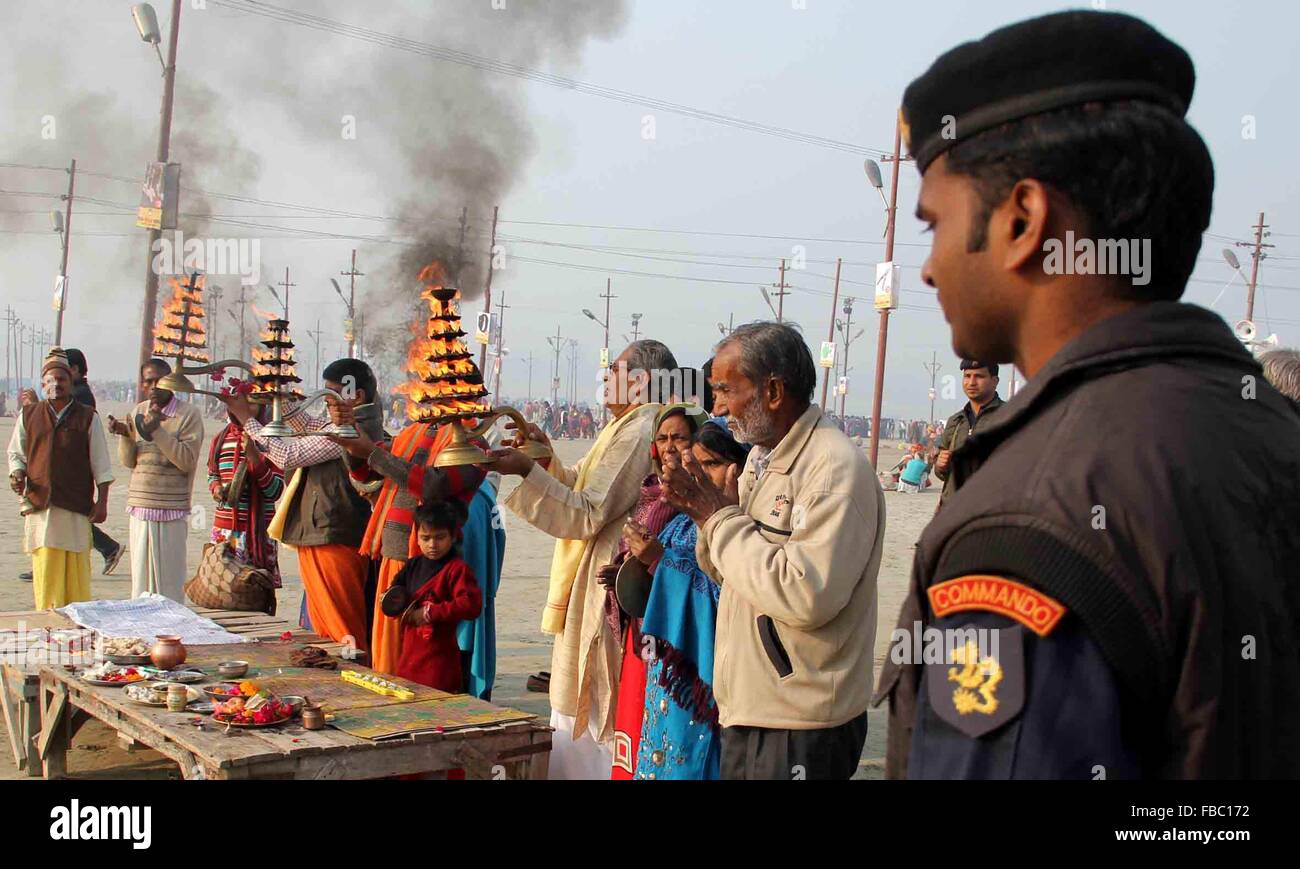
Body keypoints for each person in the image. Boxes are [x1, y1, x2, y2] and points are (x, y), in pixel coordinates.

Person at [875, 9, 1300, 779]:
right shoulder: (1269, 429)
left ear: (1024, 220)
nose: (929, 268)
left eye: (934, 223)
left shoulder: (1036, 509)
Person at [661, 322, 885, 780]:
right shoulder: (764, 460)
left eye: (726, 390)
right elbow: (740, 573)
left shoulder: (831, 471)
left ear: (775, 391)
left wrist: (718, 519)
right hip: (753, 706)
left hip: (799, 718)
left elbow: (805, 594)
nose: (718, 408)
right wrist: (710, 519)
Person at [491, 339, 675, 779]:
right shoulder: (623, 426)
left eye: (613, 369)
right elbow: (579, 487)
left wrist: (524, 471)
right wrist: (544, 457)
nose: (605, 378)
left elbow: (588, 512)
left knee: (592, 711)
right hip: (595, 572)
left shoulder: (640, 428)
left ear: (639, 382)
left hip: (608, 580)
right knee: (575, 705)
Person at [224, 358, 375, 652]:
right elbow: (306, 423)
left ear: (356, 396)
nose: (326, 400)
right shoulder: (337, 421)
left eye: (332, 394)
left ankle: (352, 684)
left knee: (342, 628)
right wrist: (277, 389)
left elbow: (287, 455)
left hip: (335, 533)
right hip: (321, 531)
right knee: (325, 627)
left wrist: (248, 419)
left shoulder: (355, 427)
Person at [328, 400, 486, 676]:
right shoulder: (412, 432)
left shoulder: (474, 443)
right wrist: (349, 434)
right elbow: (365, 472)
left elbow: (433, 485)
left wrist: (372, 453)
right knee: (388, 654)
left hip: (433, 563)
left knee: (425, 655)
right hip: (394, 555)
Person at [634, 419, 749, 780]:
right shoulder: (681, 521)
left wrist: (659, 562)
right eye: (695, 466)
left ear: (740, 469)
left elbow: (731, 597)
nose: (700, 475)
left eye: (712, 465)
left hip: (709, 679)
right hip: (669, 678)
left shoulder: (744, 529)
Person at [602, 402, 699, 779]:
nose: (670, 446)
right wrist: (622, 574)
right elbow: (632, 550)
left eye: (680, 437)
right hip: (639, 628)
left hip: (675, 635)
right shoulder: (649, 493)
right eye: (663, 438)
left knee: (669, 736)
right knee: (635, 721)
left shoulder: (702, 502)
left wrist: (657, 562)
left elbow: (703, 573)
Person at [7, 349, 114, 608]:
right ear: (42, 386)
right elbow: (16, 453)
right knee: (44, 565)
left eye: (61, 379)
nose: (56, 385)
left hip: (75, 504)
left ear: (70, 382)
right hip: (40, 504)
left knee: (75, 566)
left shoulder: (88, 416)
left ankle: (77, 619)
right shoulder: (29, 415)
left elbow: (101, 463)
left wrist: (102, 502)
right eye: (50, 381)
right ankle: (48, 620)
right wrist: (17, 473)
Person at [108, 359, 204, 602]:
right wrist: (125, 436)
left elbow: (186, 461)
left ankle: (172, 635)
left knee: (169, 585)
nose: (153, 386)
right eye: (148, 381)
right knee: (141, 585)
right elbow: (130, 462)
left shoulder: (188, 415)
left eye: (159, 381)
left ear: (170, 382)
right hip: (141, 505)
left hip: (171, 507)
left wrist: (157, 432)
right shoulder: (138, 411)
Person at [388, 501, 483, 692]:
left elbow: (471, 605)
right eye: (426, 538)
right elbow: (393, 595)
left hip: (440, 663)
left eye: (440, 537)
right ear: (417, 538)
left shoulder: (457, 569)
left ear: (453, 537)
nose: (432, 545)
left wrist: (429, 613)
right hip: (409, 658)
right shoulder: (412, 565)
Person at [206, 402, 285, 591]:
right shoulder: (220, 439)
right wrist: (216, 488)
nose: (246, 407)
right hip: (224, 532)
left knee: (256, 592)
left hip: (258, 533)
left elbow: (275, 491)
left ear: (262, 405)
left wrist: (254, 458)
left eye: (253, 402)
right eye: (242, 401)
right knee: (222, 591)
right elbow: (212, 474)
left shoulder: (271, 440)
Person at [64, 348, 126, 576]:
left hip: (76, 466)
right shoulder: (79, 392)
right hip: (74, 465)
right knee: (69, 517)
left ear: (75, 370)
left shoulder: (79, 395)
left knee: (71, 517)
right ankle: (108, 547)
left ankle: (109, 547)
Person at [933, 360, 1004, 506]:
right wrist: (940, 466)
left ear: (994, 381)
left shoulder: (1010, 416)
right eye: (967, 376)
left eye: (979, 376)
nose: (971, 382)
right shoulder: (956, 421)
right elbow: (943, 474)